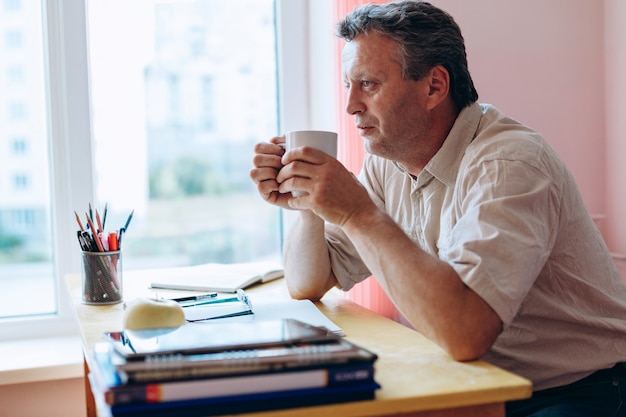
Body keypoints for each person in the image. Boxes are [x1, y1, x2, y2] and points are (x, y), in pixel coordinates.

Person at [249, 1, 626, 416]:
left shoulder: (508, 164)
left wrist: (357, 213)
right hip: (478, 381)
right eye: (348, 86)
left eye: (369, 84)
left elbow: (465, 332)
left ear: (434, 87)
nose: (352, 105)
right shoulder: (387, 163)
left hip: (580, 389)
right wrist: (309, 203)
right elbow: (308, 284)